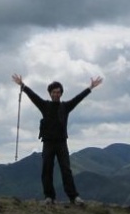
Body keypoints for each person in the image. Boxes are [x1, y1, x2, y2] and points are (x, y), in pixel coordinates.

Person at [12, 73, 103, 205]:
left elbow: (78, 98)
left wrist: (90, 88)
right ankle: (49, 197)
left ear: (61, 94)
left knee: (66, 169)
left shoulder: (65, 106)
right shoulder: (44, 105)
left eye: (58, 92)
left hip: (61, 143)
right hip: (48, 142)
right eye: (54, 92)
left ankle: (74, 197)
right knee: (47, 169)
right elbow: (33, 96)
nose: (56, 94)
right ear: (50, 93)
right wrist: (22, 85)